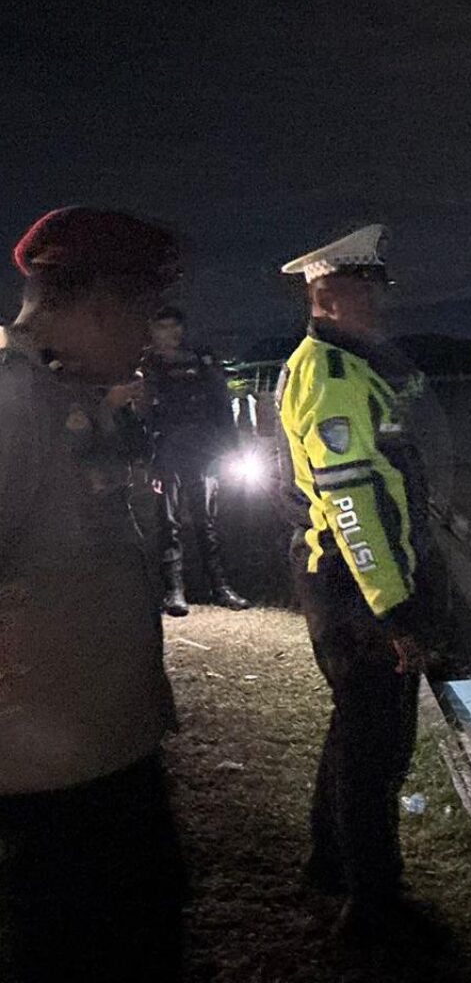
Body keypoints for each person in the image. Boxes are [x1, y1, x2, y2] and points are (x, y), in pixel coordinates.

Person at [0, 207, 185, 982]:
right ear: (103, 303)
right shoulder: (11, 407)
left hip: (107, 761)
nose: (148, 337)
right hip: (46, 791)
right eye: (141, 313)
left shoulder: (61, 397)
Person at [276, 223, 429, 938]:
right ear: (329, 294)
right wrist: (392, 610)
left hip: (345, 583)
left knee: (355, 731)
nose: (381, 303)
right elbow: (353, 502)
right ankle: (372, 909)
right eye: (369, 289)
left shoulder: (344, 364)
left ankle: (330, 862)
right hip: (356, 586)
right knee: (378, 750)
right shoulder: (332, 376)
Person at [140, 304, 250, 616]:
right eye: (164, 327)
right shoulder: (147, 364)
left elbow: (221, 404)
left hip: (202, 450)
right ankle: (175, 590)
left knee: (207, 520)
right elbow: (143, 414)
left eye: (176, 326)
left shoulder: (201, 359)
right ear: (153, 330)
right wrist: (150, 457)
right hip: (167, 452)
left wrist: (231, 446)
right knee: (168, 522)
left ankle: (221, 586)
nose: (171, 333)